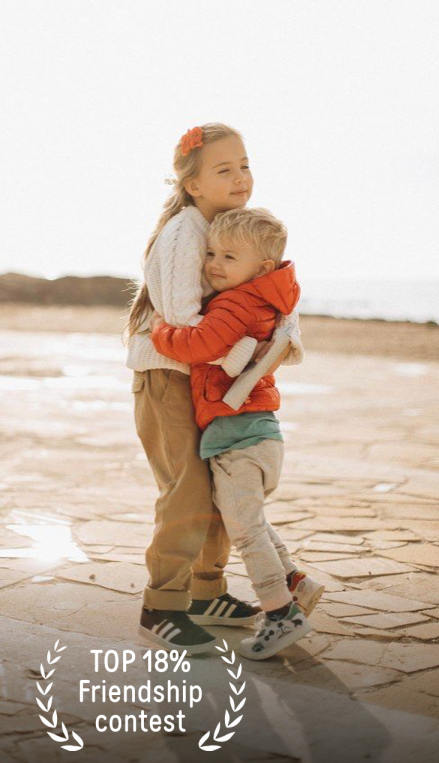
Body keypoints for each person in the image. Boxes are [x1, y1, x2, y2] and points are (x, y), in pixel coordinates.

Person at [125, 123, 302, 654]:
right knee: (187, 489)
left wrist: (276, 340)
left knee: (218, 485)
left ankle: (206, 594)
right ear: (194, 184)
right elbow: (181, 319)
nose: (241, 177)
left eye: (244, 165)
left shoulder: (230, 228)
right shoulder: (185, 232)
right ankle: (162, 606)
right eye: (224, 169)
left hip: (203, 380)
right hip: (168, 375)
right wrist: (248, 354)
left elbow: (265, 297)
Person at [151, 207, 325, 659]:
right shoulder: (270, 299)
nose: (214, 264)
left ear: (262, 268)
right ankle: (295, 582)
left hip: (236, 438)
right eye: (211, 253)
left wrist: (160, 330)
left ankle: (282, 614)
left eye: (229, 257)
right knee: (253, 521)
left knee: (245, 532)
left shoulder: (235, 303)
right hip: (260, 433)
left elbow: (198, 345)